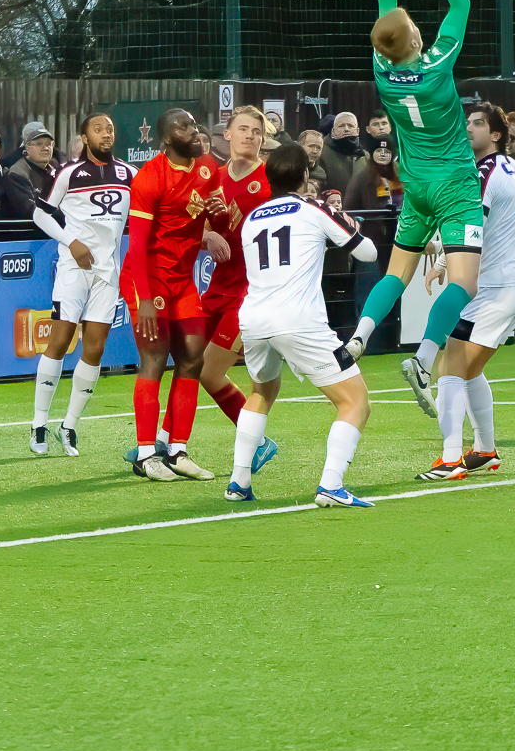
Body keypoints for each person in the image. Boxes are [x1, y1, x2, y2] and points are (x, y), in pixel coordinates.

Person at [345, 0, 483, 378]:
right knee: (463, 282)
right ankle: (424, 359)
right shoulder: (437, 65)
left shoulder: (382, 69)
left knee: (395, 274)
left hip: (416, 185)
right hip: (455, 184)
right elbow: (461, 5)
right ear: (419, 39)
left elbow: (386, 11)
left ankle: (358, 337)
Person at [224, 142, 381, 508]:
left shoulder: (252, 219)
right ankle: (331, 485)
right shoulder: (314, 208)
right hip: (298, 320)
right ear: (306, 175)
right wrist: (348, 226)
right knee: (355, 402)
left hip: (254, 318)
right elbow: (368, 252)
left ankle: (238, 482)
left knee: (261, 392)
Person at [414, 103, 515, 479]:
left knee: (450, 367)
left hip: (496, 289)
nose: (467, 128)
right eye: (466, 122)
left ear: (496, 134)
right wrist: (444, 262)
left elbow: (470, 229)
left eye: (477, 123)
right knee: (468, 368)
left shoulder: (484, 171)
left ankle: (450, 458)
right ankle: (485, 450)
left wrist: (437, 250)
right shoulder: (510, 167)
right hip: (510, 285)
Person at [176, 105, 287, 473]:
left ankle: (258, 442)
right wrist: (207, 236)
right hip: (216, 288)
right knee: (187, 364)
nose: (250, 136)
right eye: (243, 129)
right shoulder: (213, 178)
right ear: (227, 134)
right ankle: (168, 442)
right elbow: (191, 227)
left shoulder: (270, 180)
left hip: (250, 294)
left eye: (256, 131)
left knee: (208, 372)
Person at [120, 108, 226, 481]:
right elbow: (137, 245)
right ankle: (145, 455)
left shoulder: (208, 167)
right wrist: (146, 300)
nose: (193, 130)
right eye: (183, 127)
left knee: (193, 360)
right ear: (167, 138)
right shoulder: (149, 178)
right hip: (147, 278)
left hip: (182, 280)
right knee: (154, 359)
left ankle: (177, 450)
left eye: (194, 124)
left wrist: (218, 215)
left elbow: (218, 220)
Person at [27, 112, 138, 456]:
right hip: (73, 268)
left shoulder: (130, 174)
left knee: (95, 349)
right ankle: (39, 424)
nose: (106, 134)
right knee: (60, 341)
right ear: (84, 137)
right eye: (98, 129)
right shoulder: (68, 173)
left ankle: (70, 426)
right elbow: (40, 214)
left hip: (108, 272)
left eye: (110, 128)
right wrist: (70, 241)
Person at [346, 140, 404, 211]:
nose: (383, 154)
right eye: (379, 151)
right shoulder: (361, 178)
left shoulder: (402, 175)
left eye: (387, 152)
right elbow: (350, 207)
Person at [319, 112, 365, 195]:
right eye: (341, 126)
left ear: (357, 131)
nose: (346, 129)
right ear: (333, 131)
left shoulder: (365, 156)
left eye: (351, 126)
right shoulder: (321, 153)